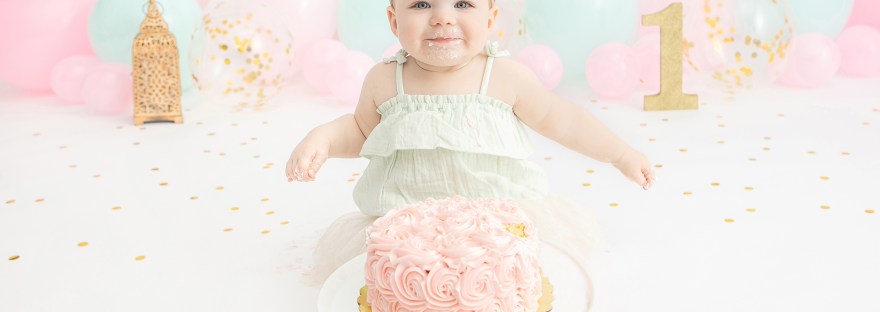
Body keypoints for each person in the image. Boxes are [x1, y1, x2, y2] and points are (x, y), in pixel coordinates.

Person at [287, 0, 656, 285]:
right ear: (393, 20)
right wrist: (324, 138)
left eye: (462, 3)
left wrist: (619, 153)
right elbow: (361, 131)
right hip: (408, 235)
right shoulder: (385, 80)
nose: (442, 17)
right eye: (421, 4)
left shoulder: (504, 76)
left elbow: (564, 120)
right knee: (406, 289)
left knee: (501, 286)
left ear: (491, 18)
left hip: (495, 231)